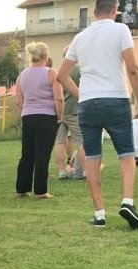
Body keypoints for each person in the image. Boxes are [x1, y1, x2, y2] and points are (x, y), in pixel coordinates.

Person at [56, 0, 138, 229]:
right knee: (126, 154)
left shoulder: (80, 37)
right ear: (115, 9)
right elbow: (133, 68)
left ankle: (99, 213)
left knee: (92, 158)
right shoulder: (120, 30)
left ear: (95, 11)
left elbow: (62, 75)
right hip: (115, 98)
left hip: (88, 103)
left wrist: (81, 94)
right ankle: (127, 201)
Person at [15, 42, 63, 199]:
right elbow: (59, 98)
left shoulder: (22, 75)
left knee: (27, 154)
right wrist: (60, 116)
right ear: (46, 56)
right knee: (42, 155)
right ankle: (41, 191)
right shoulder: (51, 73)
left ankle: (22, 188)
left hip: (28, 116)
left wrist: (23, 116)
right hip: (47, 116)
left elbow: (19, 101)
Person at [54, 47, 84, 180]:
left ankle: (61, 172)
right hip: (74, 110)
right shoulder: (79, 70)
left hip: (60, 111)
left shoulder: (57, 71)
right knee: (82, 142)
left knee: (60, 142)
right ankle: (81, 171)